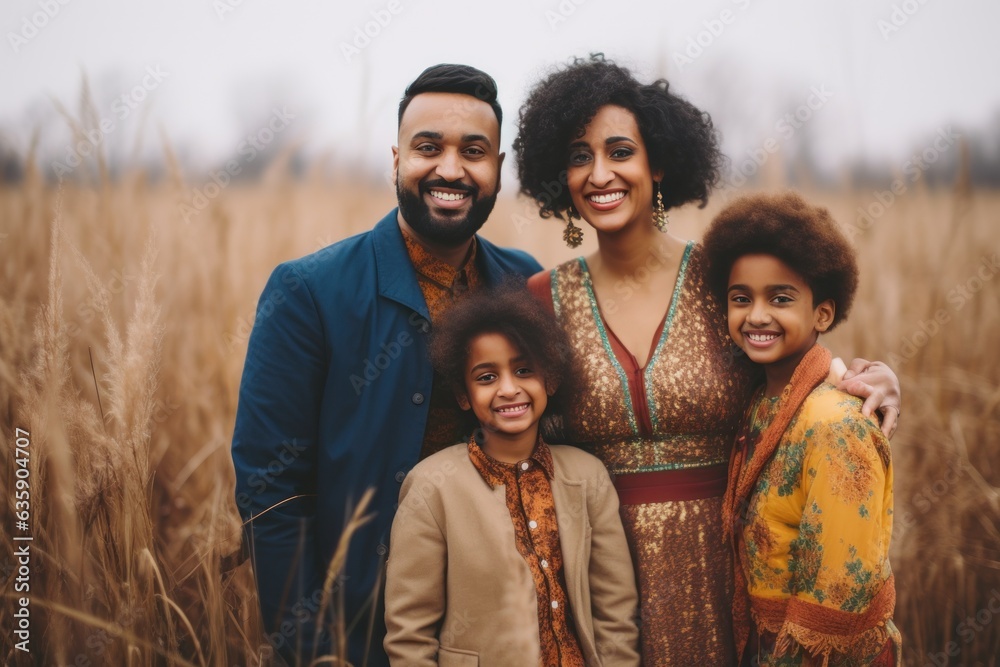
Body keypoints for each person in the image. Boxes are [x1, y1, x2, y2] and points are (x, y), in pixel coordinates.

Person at [514, 54, 901, 665]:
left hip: (732, 571)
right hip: (602, 583)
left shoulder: (722, 280)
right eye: (578, 156)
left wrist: (872, 377)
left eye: (620, 151)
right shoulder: (541, 301)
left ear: (659, 163)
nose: (599, 173)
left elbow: (792, 368)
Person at [231, 64, 541, 666]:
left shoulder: (521, 282)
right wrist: (310, 652)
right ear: (396, 160)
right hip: (363, 633)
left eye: (473, 152)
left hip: (500, 628)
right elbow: (271, 493)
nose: (450, 169)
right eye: (429, 148)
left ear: (498, 169)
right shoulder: (309, 292)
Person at [383, 283, 641, 666]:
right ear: (463, 394)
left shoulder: (588, 476)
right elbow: (409, 635)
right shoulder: (431, 487)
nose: (508, 388)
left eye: (524, 370)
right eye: (486, 377)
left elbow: (616, 614)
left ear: (549, 379)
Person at [703, 192, 900, 665]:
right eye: (740, 299)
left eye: (781, 298)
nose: (756, 316)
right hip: (764, 643)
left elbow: (838, 587)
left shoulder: (837, 426)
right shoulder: (758, 400)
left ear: (823, 314)